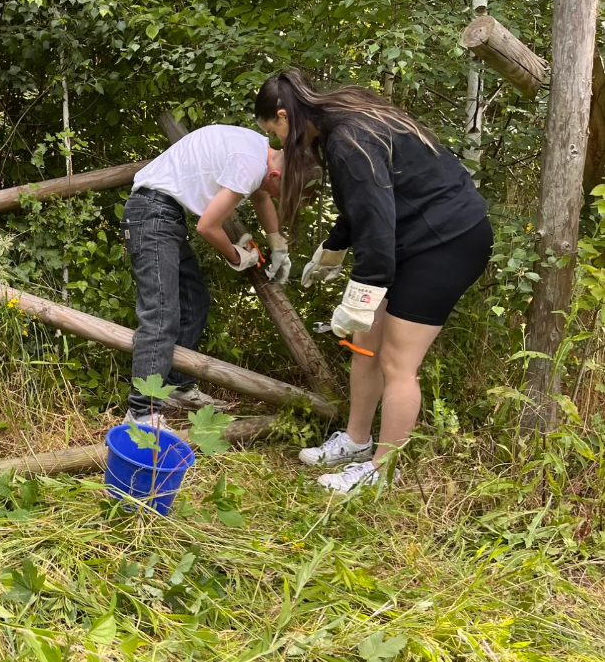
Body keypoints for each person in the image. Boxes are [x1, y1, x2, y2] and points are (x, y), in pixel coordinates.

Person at [254, 69, 492, 493]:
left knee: (398, 364)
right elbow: (364, 204)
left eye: (273, 132)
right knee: (366, 346)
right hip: (414, 237)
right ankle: (356, 441)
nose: (277, 144)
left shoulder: (347, 138)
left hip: (448, 242)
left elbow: (377, 229)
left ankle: (383, 472)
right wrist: (333, 248)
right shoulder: (338, 119)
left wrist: (360, 296)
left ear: (284, 116)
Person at [123, 124, 288, 428]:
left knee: (194, 300)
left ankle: (176, 387)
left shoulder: (258, 148)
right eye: (282, 193)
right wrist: (239, 256)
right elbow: (208, 227)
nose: (275, 197)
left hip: (164, 216)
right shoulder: (251, 163)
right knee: (160, 313)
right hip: (151, 215)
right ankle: (142, 413)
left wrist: (278, 243)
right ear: (276, 176)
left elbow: (261, 197)